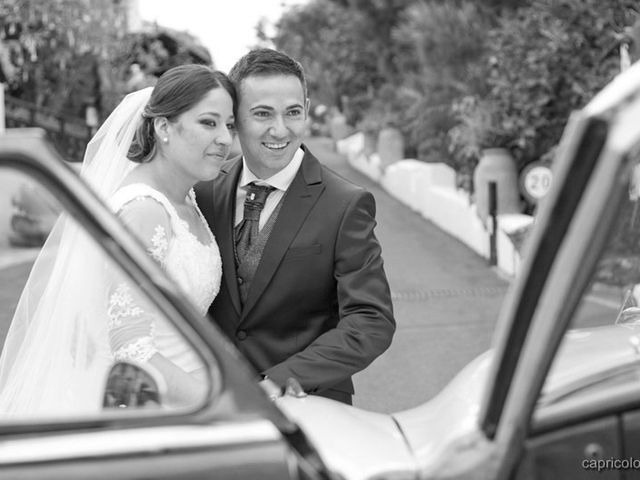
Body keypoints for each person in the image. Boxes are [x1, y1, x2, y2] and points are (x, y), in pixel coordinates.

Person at [0, 64, 236, 415]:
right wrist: (226, 401)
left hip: (187, 391)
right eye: (208, 122)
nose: (224, 138)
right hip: (156, 405)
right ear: (163, 127)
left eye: (229, 125)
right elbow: (132, 347)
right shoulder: (144, 211)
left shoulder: (185, 199)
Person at [195, 48, 395, 404]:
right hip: (215, 403)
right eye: (262, 114)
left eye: (293, 112)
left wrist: (278, 382)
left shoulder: (345, 202)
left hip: (310, 403)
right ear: (235, 118)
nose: (280, 129)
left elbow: (370, 319)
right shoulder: (204, 190)